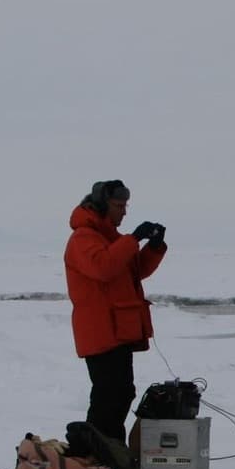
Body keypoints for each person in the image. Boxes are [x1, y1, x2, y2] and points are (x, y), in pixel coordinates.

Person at [64, 179, 168, 449]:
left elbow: (135, 271)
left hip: (117, 331)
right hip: (100, 332)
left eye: (125, 206)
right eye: (118, 206)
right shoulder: (83, 238)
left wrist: (154, 247)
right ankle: (95, 451)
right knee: (109, 394)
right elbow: (103, 267)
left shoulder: (110, 238)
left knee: (121, 393)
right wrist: (133, 239)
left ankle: (107, 451)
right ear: (101, 205)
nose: (124, 211)